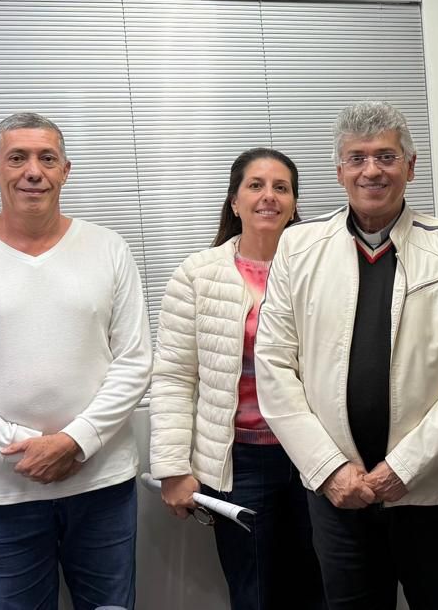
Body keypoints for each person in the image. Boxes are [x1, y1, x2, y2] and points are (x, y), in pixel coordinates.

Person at [255, 101, 438, 610]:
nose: (372, 171)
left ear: (410, 166)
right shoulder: (298, 249)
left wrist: (404, 467)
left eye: (386, 157)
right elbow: (274, 366)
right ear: (339, 170)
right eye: (357, 158)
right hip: (337, 496)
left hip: (433, 493)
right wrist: (329, 470)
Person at [0, 112, 152, 610]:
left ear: (66, 170)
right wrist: (23, 447)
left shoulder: (109, 249)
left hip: (102, 486)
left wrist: (74, 441)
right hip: (4, 494)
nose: (33, 171)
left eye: (47, 158)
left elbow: (134, 361)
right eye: (17, 158)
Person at [149, 148, 324, 609]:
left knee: (324, 587)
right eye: (255, 186)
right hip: (240, 461)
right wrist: (173, 468)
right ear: (234, 201)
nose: (269, 196)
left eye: (281, 188)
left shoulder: (321, 270)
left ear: (294, 203)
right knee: (255, 593)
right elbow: (173, 377)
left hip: (316, 454)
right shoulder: (198, 275)